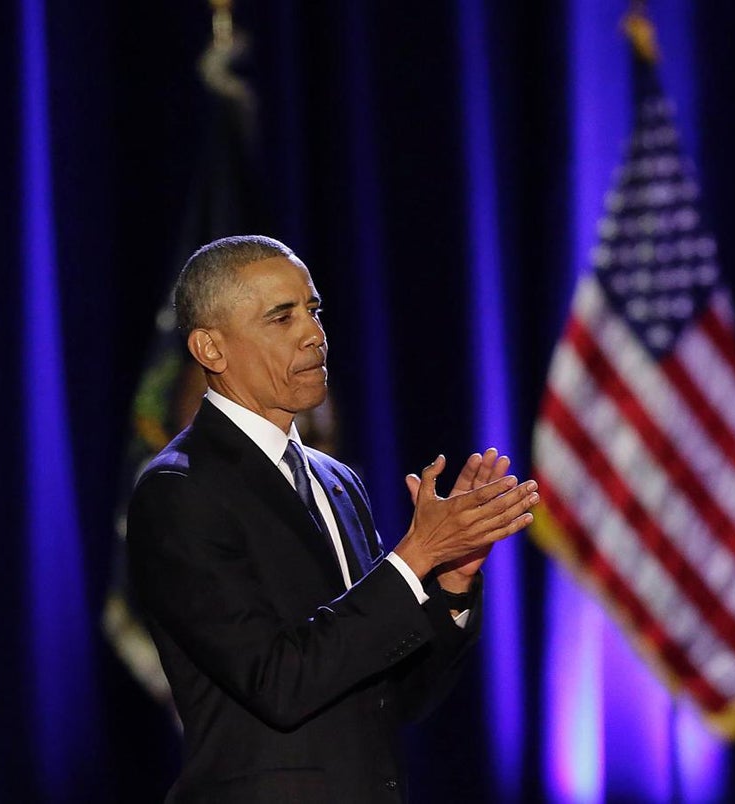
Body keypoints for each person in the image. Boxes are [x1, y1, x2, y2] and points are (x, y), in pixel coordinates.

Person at [128, 235, 539, 803]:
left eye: (314, 310)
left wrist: (450, 580)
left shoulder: (337, 481)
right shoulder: (179, 491)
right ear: (211, 349)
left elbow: (390, 692)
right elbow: (279, 683)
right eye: (281, 317)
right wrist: (414, 557)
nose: (314, 334)